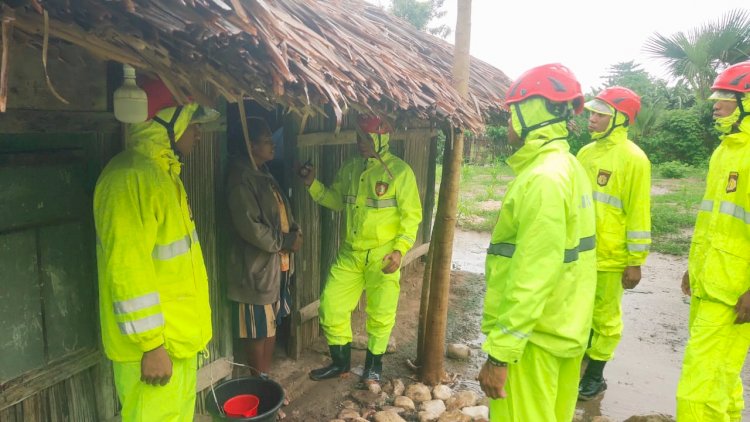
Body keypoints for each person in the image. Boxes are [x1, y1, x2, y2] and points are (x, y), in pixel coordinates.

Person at [477, 63, 597, 421]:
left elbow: (533, 274)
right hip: (564, 332)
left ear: (532, 112)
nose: (509, 121)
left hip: (533, 344)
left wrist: (500, 354)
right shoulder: (570, 167)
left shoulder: (543, 179)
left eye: (513, 111)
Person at [94, 77, 218, 421]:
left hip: (176, 345)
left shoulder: (162, 176)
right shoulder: (129, 179)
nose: (198, 133)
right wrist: (151, 346)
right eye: (191, 123)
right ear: (168, 122)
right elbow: (128, 271)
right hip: (153, 352)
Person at [299, 115, 422, 384]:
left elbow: (411, 216)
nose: (361, 143)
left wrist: (400, 250)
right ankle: (340, 363)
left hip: (383, 255)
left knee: (380, 312)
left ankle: (373, 366)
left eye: (366, 138)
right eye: (359, 137)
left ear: (382, 137)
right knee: (331, 306)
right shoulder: (351, 168)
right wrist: (313, 184)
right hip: (351, 254)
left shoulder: (400, 173)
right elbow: (335, 200)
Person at [676, 60, 750, 421]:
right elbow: (712, 221)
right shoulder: (725, 151)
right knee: (722, 377)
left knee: (697, 391)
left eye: (727, 96)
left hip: (735, 292)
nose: (716, 103)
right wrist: (693, 269)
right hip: (710, 283)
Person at [576, 86, 651, 400]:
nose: (592, 118)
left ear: (620, 118)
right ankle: (580, 366)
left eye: (600, 114)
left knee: (605, 318)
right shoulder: (585, 153)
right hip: (581, 253)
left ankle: (594, 377)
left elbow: (638, 212)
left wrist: (635, 261)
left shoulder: (635, 159)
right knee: (579, 311)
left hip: (611, 257)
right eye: (592, 113)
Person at [226, 116, 302, 378]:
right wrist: (285, 241)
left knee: (270, 325)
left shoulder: (263, 172)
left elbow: (281, 212)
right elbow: (251, 227)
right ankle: (259, 387)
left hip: (274, 264)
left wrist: (294, 230)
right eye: (267, 141)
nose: (273, 145)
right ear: (250, 145)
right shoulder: (240, 178)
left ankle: (266, 384)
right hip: (255, 268)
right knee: (257, 330)